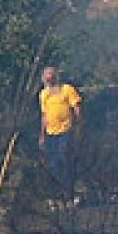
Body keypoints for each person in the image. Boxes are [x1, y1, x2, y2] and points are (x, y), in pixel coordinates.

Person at [38, 66, 83, 199]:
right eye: (46, 75)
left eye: (51, 74)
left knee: (64, 159)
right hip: (50, 133)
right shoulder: (43, 94)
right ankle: (57, 194)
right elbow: (44, 115)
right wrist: (41, 135)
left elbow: (76, 108)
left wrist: (78, 126)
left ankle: (69, 192)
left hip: (66, 131)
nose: (49, 77)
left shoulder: (67, 89)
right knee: (52, 164)